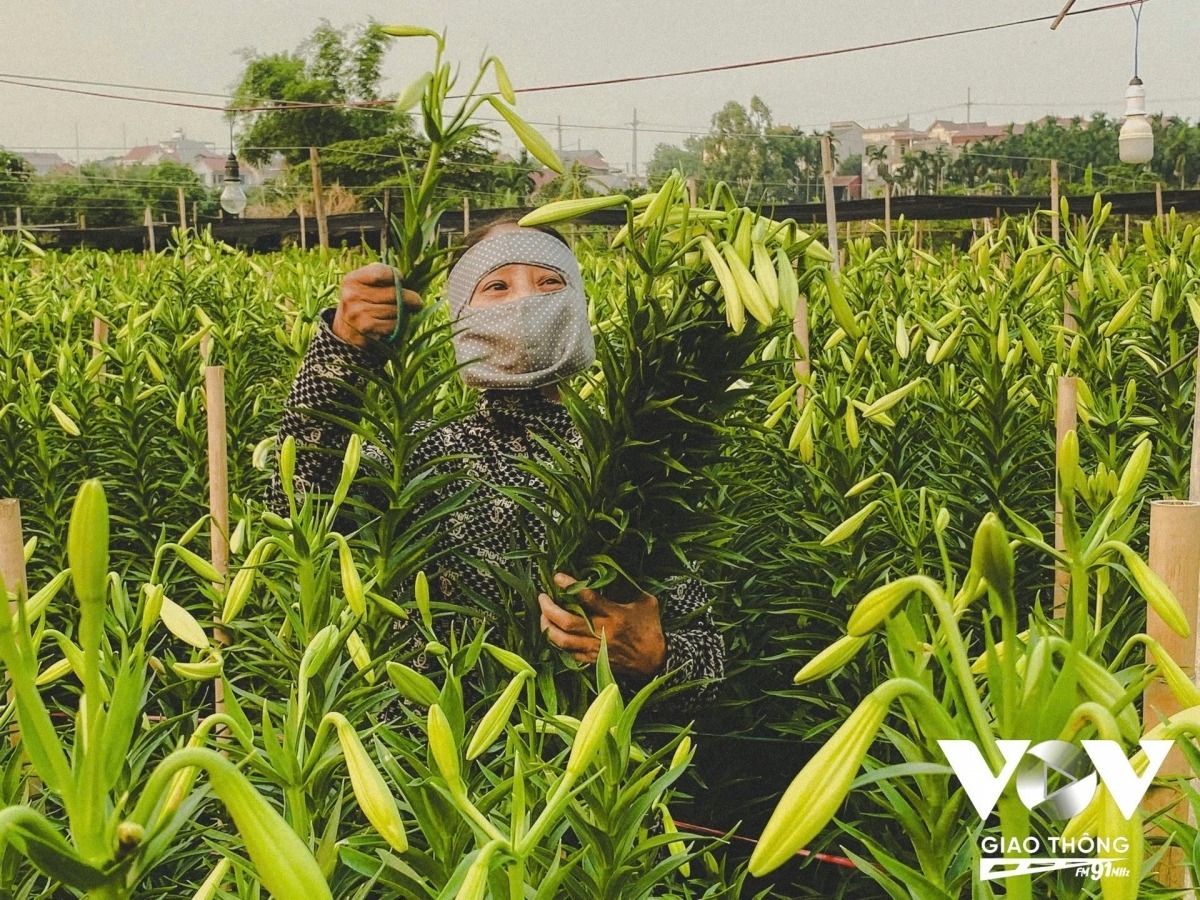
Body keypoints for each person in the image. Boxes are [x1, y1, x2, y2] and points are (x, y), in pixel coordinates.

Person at [268, 220, 723, 713]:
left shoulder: (634, 463)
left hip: (587, 769)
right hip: (423, 764)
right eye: (497, 285)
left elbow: (710, 667)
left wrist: (655, 657)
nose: (524, 300)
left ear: (580, 308)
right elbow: (293, 505)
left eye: (550, 282)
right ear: (460, 316)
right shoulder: (417, 454)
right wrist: (345, 348)